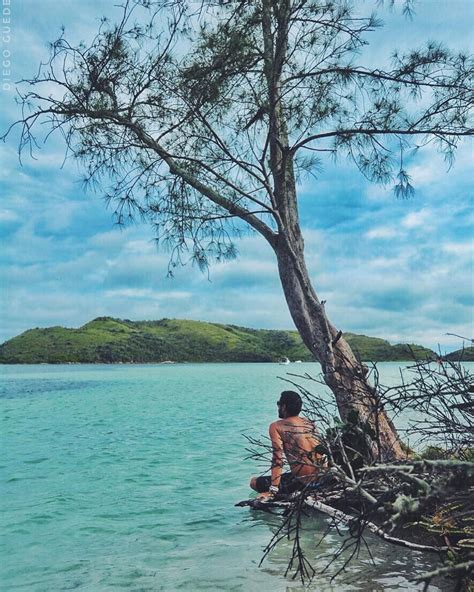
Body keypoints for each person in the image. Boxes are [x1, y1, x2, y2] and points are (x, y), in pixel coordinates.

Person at [249, 390, 324, 500]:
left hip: (303, 483)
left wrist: (273, 490)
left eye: (279, 404)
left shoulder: (276, 426)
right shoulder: (310, 423)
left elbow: (278, 459)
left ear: (284, 407)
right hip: (322, 479)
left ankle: (278, 495)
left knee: (253, 482)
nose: (278, 407)